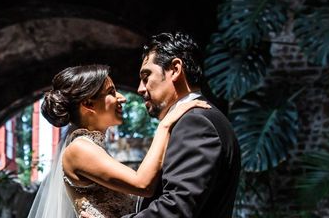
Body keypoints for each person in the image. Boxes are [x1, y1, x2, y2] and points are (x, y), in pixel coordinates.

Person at [27, 63, 210, 218]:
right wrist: (165, 125)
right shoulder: (79, 149)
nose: (121, 98)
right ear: (88, 104)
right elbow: (143, 185)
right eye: (111, 92)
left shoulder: (91, 146)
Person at [93, 32, 241, 218]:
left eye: (146, 76)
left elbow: (177, 209)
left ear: (175, 69)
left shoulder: (196, 122)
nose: (140, 88)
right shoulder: (197, 118)